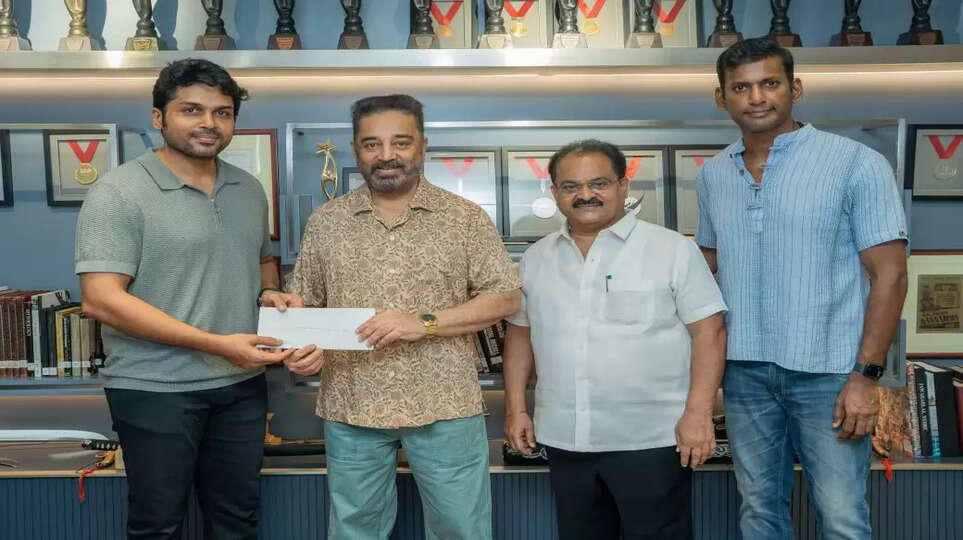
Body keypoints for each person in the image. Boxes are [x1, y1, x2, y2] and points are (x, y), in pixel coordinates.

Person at [75, 58, 322, 540]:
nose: (209, 123)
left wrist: (270, 293)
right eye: (191, 110)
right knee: (158, 525)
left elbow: (261, 260)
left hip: (241, 385)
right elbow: (101, 300)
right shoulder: (118, 192)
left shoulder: (248, 188)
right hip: (154, 388)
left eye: (222, 113)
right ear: (158, 117)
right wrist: (215, 344)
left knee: (237, 521)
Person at [276, 94, 521, 540]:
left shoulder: (464, 218)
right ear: (356, 150)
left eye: (401, 142)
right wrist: (298, 344)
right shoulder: (326, 222)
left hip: (445, 406)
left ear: (422, 145)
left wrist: (422, 323)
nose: (386, 155)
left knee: (460, 530)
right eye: (372, 144)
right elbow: (304, 303)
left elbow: (505, 298)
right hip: (352, 405)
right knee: (354, 531)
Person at [698, 38, 908, 539]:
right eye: (741, 88)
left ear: (795, 89)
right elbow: (705, 270)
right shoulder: (713, 174)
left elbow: (891, 276)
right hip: (744, 373)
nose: (756, 97)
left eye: (769, 83)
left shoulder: (856, 163)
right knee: (759, 510)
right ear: (722, 98)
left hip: (830, 374)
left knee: (841, 516)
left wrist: (865, 377)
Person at [502, 139, 728, 540]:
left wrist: (699, 415)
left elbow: (709, 333)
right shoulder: (535, 258)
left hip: (652, 439)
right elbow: (520, 337)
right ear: (555, 193)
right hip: (565, 439)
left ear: (623, 186)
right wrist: (516, 409)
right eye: (571, 186)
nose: (585, 194)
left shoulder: (672, 250)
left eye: (599, 183)